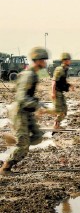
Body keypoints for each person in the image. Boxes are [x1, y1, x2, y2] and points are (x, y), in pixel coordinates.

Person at [0, 47, 48, 176]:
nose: (45, 62)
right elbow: (21, 98)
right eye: (43, 59)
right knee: (23, 145)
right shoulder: (29, 75)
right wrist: (37, 104)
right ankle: (5, 168)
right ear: (37, 60)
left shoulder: (32, 74)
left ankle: (15, 140)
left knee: (38, 136)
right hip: (20, 112)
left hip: (26, 111)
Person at [51, 53, 74, 129]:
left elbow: (62, 81)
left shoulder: (65, 69)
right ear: (64, 60)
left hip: (60, 92)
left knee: (65, 110)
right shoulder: (59, 69)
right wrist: (53, 93)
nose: (70, 61)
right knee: (60, 110)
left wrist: (70, 85)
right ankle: (56, 125)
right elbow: (54, 81)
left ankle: (57, 124)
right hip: (57, 93)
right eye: (69, 60)